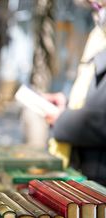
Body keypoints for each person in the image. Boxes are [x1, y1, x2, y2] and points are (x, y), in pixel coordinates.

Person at [45, 0, 106, 184]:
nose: (97, 11)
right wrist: (68, 103)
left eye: (100, 6)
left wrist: (62, 118)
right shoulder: (98, 36)